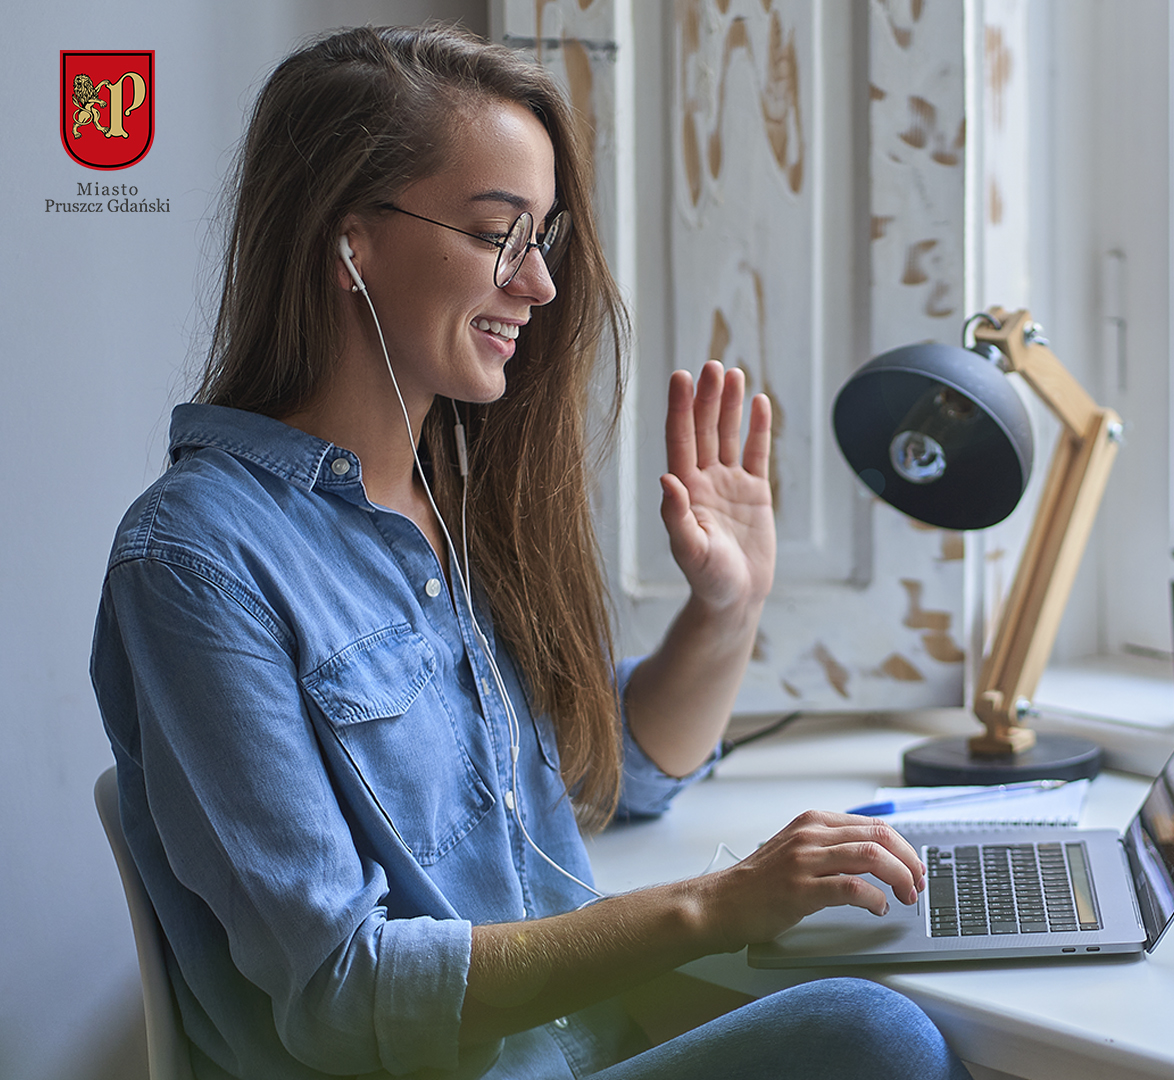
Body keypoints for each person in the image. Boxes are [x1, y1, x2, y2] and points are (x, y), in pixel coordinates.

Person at [89, 24, 967, 1080]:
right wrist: (711, 905)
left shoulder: (448, 510)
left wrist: (729, 608)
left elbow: (601, 782)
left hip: (580, 1059)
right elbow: (339, 994)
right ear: (346, 240)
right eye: (501, 235)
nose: (540, 285)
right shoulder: (194, 562)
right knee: (873, 1036)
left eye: (542, 238)